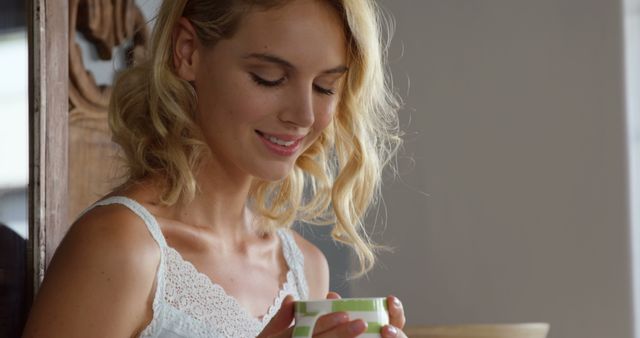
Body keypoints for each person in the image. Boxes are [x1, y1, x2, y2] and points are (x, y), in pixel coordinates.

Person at [23, 0, 406, 337]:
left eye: (325, 87)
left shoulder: (306, 267)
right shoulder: (119, 247)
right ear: (188, 51)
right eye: (269, 78)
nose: (303, 116)